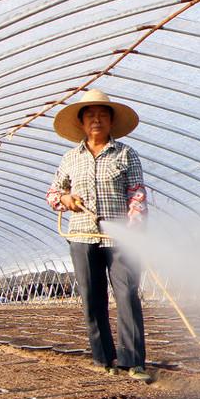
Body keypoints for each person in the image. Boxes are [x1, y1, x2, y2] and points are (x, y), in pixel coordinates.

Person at [46, 90, 152, 382]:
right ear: (81, 123)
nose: (96, 120)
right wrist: (65, 200)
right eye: (90, 115)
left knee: (127, 294)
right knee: (92, 298)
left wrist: (134, 228)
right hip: (82, 236)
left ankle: (133, 361)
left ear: (110, 121)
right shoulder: (70, 159)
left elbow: (136, 193)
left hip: (119, 239)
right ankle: (102, 357)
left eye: (102, 115)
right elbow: (53, 193)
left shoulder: (126, 154)